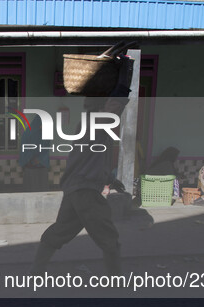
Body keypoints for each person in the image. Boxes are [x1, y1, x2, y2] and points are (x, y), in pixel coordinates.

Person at [29, 55, 134, 275]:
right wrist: (126, 69)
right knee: (108, 238)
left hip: (75, 188)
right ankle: (116, 280)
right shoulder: (97, 125)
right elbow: (117, 103)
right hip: (86, 191)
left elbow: (88, 160)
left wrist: (110, 178)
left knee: (60, 231)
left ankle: (37, 269)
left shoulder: (86, 126)